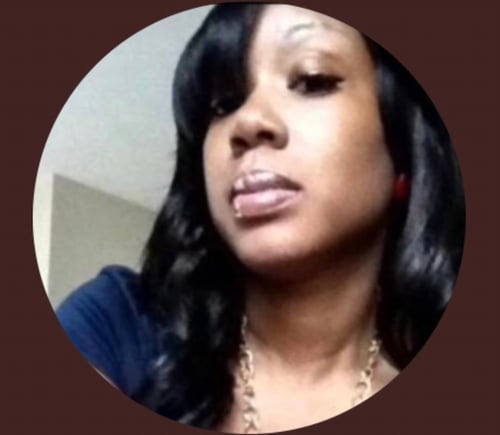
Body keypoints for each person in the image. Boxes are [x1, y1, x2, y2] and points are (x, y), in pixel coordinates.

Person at [55, 3, 465, 433]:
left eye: (312, 80)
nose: (247, 121)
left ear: (403, 151)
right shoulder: (115, 324)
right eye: (223, 104)